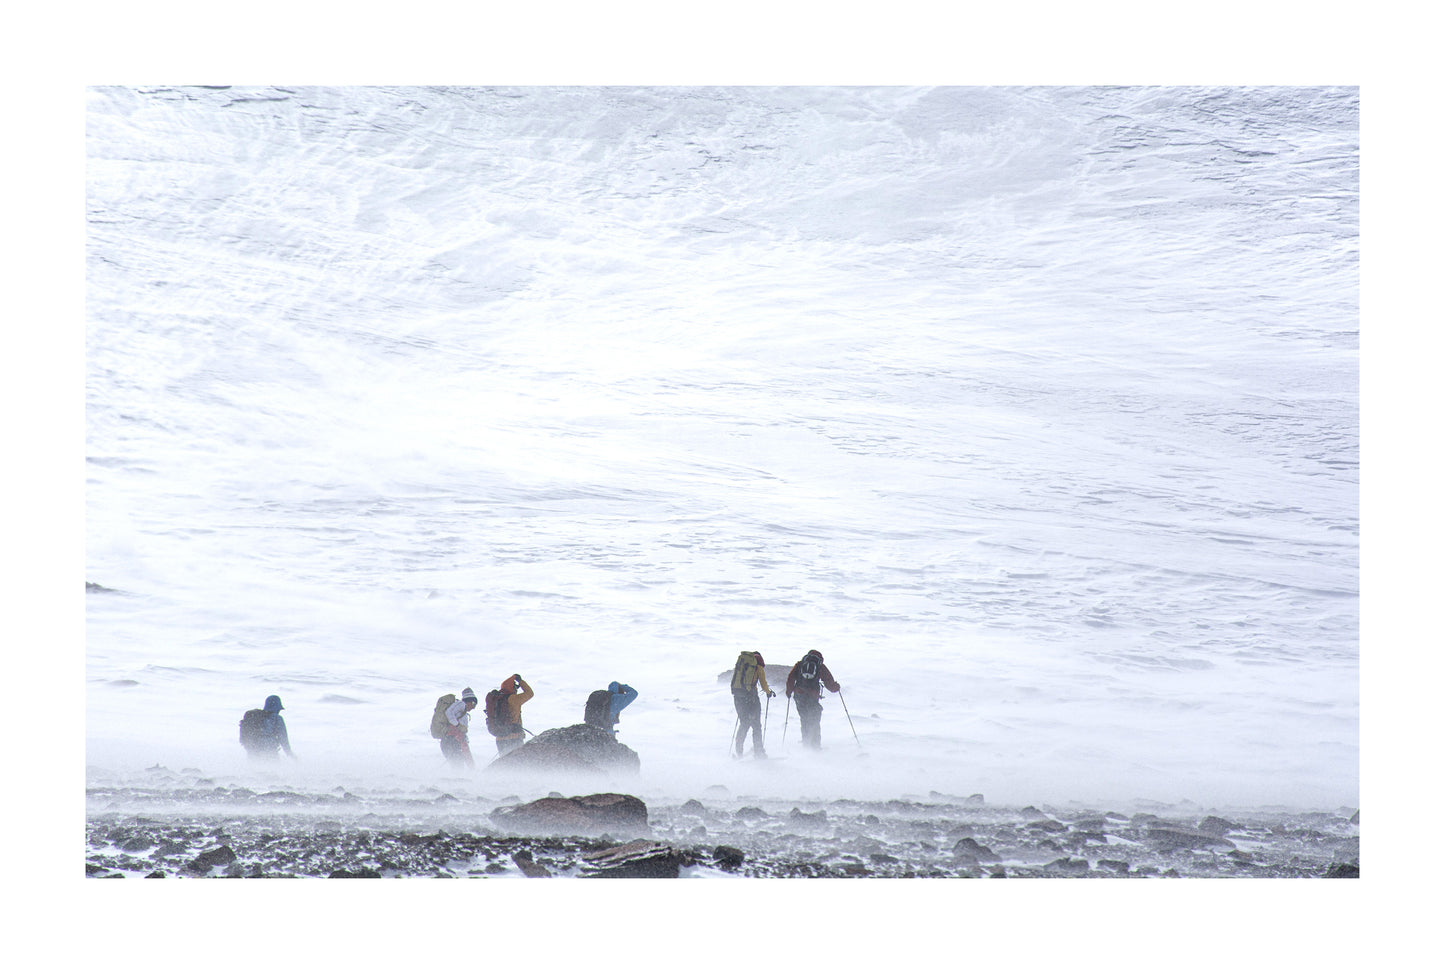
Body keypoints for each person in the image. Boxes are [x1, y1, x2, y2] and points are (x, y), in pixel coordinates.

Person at [786, 649, 840, 750]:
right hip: (812, 697)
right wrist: (835, 687)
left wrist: (789, 692)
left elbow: (790, 678)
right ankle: (815, 746)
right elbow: (829, 682)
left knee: (804, 719)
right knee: (814, 720)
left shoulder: (800, 664)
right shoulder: (820, 666)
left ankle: (806, 743)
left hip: (799, 695)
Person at [729, 651, 774, 758]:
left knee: (744, 723)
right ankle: (758, 751)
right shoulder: (758, 667)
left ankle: (739, 750)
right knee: (756, 725)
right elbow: (763, 684)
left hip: (738, 696)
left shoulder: (742, 664)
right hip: (751, 698)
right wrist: (768, 692)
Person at [239, 694, 296, 760]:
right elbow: (283, 738)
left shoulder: (256, 717)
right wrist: (290, 754)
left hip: (253, 752)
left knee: (254, 769)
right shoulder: (277, 718)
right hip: (270, 752)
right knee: (271, 769)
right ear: (276, 707)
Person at [489, 674, 533, 756]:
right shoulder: (513, 699)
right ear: (512, 688)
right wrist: (521, 681)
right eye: (515, 688)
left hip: (500, 738)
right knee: (518, 764)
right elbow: (530, 693)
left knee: (505, 764)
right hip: (514, 737)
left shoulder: (496, 701)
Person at [441, 687, 479, 767]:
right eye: (473, 704)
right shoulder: (461, 704)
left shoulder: (463, 711)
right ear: (469, 701)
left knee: (457, 763)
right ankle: (457, 777)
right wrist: (458, 725)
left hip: (454, 740)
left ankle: (459, 776)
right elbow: (449, 712)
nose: (473, 707)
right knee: (457, 763)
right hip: (452, 740)